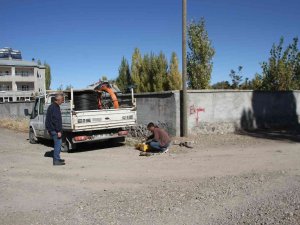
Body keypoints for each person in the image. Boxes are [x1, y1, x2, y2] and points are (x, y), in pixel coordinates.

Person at [45, 93, 65, 166]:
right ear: (58, 100)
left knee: (58, 145)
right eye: (62, 100)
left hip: (52, 129)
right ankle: (56, 160)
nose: (62, 102)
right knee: (57, 145)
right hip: (55, 130)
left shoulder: (51, 106)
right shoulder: (55, 107)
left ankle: (58, 158)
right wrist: (58, 130)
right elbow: (56, 120)